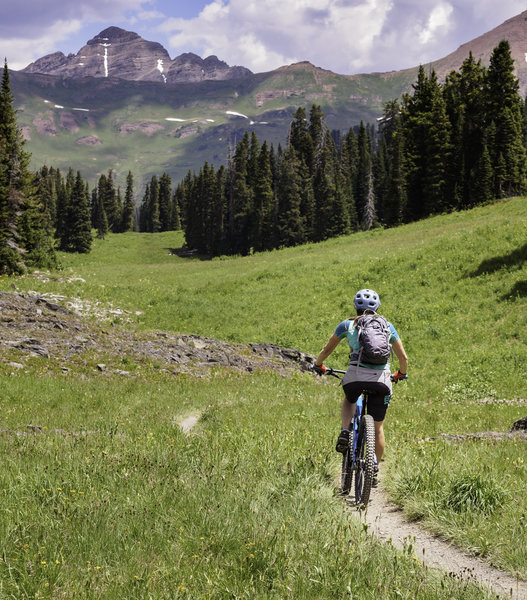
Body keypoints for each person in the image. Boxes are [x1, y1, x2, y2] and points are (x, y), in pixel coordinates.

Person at [313, 288, 407, 479]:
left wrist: (318, 365)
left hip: (355, 376)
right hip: (381, 381)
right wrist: (400, 373)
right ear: (378, 307)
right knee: (378, 427)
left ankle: (345, 430)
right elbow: (403, 358)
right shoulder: (387, 326)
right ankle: (373, 469)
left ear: (355, 307)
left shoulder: (347, 325)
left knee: (349, 399)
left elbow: (326, 349)